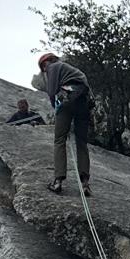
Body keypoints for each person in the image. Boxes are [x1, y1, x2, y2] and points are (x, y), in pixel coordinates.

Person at [37, 50, 92, 196]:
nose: (44, 70)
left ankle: (58, 181)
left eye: (43, 67)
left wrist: (56, 108)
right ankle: (85, 183)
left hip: (67, 102)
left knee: (60, 140)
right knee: (81, 142)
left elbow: (52, 91)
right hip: (84, 103)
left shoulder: (53, 67)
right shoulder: (75, 71)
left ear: (46, 63)